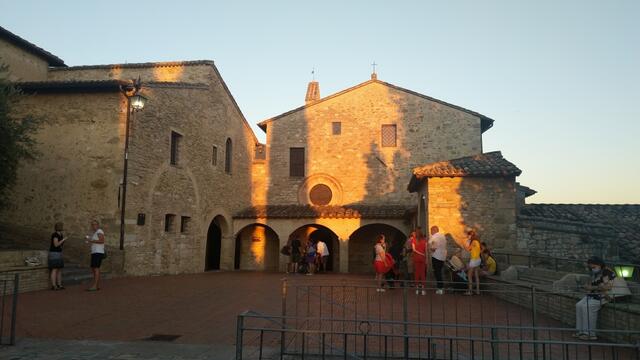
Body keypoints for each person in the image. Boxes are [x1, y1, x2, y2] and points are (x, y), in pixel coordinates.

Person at [574, 256, 616, 341]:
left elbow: (607, 286)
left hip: (603, 296)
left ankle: (590, 334)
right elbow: (593, 283)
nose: (592, 268)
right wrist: (587, 286)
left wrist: (592, 288)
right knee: (578, 305)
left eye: (594, 267)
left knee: (587, 307)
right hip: (593, 295)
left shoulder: (607, 272)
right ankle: (580, 331)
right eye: (591, 267)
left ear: (599, 264)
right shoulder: (595, 273)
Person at [85, 219, 105, 291]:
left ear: (98, 225)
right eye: (92, 224)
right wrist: (90, 240)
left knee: (96, 268)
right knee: (94, 268)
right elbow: (96, 241)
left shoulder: (99, 231)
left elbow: (102, 240)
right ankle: (96, 285)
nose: (94, 226)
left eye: (95, 224)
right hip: (95, 252)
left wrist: (91, 240)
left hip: (98, 252)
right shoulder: (95, 233)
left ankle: (95, 286)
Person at [429, 226, 447, 295]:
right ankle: (441, 287)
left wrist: (430, 249)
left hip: (436, 256)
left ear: (434, 230)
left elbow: (433, 248)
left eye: (431, 230)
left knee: (437, 273)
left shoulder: (434, 237)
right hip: (442, 257)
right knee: (440, 272)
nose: (431, 232)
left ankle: (440, 288)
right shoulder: (442, 236)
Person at [48, 222, 67, 290]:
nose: (62, 227)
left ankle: (59, 285)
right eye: (61, 226)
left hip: (59, 253)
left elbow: (60, 245)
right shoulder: (55, 234)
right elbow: (56, 244)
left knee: (59, 269)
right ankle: (54, 285)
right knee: (55, 269)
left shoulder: (61, 234)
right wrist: (63, 240)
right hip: (54, 253)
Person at [464, 229, 481, 296]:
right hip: (478, 259)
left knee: (469, 275)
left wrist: (465, 244)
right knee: (476, 275)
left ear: (471, 235)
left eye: (469, 235)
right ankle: (477, 291)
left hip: (474, 260)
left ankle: (470, 291)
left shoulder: (473, 241)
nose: (468, 236)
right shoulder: (477, 241)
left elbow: (468, 249)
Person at [412, 229, 428, 295]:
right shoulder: (425, 241)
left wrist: (420, 253)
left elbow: (414, 250)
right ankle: (423, 290)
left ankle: (417, 289)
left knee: (416, 273)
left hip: (416, 258)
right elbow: (426, 251)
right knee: (422, 274)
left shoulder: (414, 240)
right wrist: (426, 258)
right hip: (423, 258)